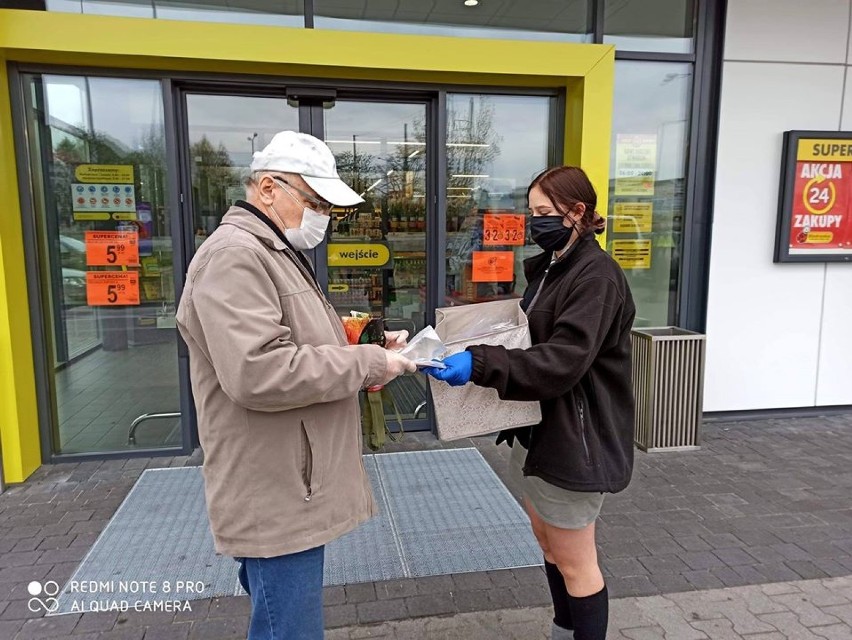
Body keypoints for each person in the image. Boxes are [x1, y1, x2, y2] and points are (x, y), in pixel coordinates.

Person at [175, 131, 415, 639]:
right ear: (267, 188)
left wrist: (362, 341)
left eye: (331, 209)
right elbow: (259, 371)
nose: (323, 216)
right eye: (315, 202)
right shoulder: (236, 256)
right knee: (291, 628)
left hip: (287, 476)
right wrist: (366, 363)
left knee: (282, 618)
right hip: (276, 483)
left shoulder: (270, 248)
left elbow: (289, 338)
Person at [423, 166, 635, 640]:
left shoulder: (596, 276)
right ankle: (563, 629)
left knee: (577, 562)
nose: (535, 221)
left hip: (575, 440)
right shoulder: (554, 266)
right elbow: (526, 337)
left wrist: (479, 365)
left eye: (544, 212)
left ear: (577, 212)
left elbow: (560, 361)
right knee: (548, 544)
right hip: (540, 431)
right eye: (532, 211)